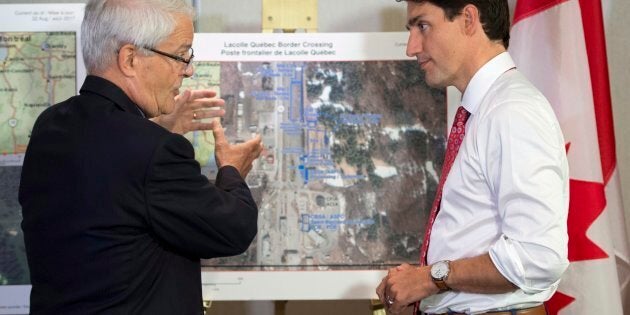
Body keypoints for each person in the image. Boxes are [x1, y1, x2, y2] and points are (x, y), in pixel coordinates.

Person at [18, 0, 263, 314]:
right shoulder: (153, 151)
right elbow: (233, 228)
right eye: (180, 55)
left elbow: (113, 188)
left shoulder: (50, 126)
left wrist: (158, 132)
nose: (188, 70)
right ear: (130, 58)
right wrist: (232, 170)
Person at [376, 1, 569, 314]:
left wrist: (431, 279)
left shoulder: (512, 111)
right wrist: (422, 289)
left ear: (468, 19)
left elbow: (537, 256)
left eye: (422, 26)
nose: (412, 47)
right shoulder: (484, 110)